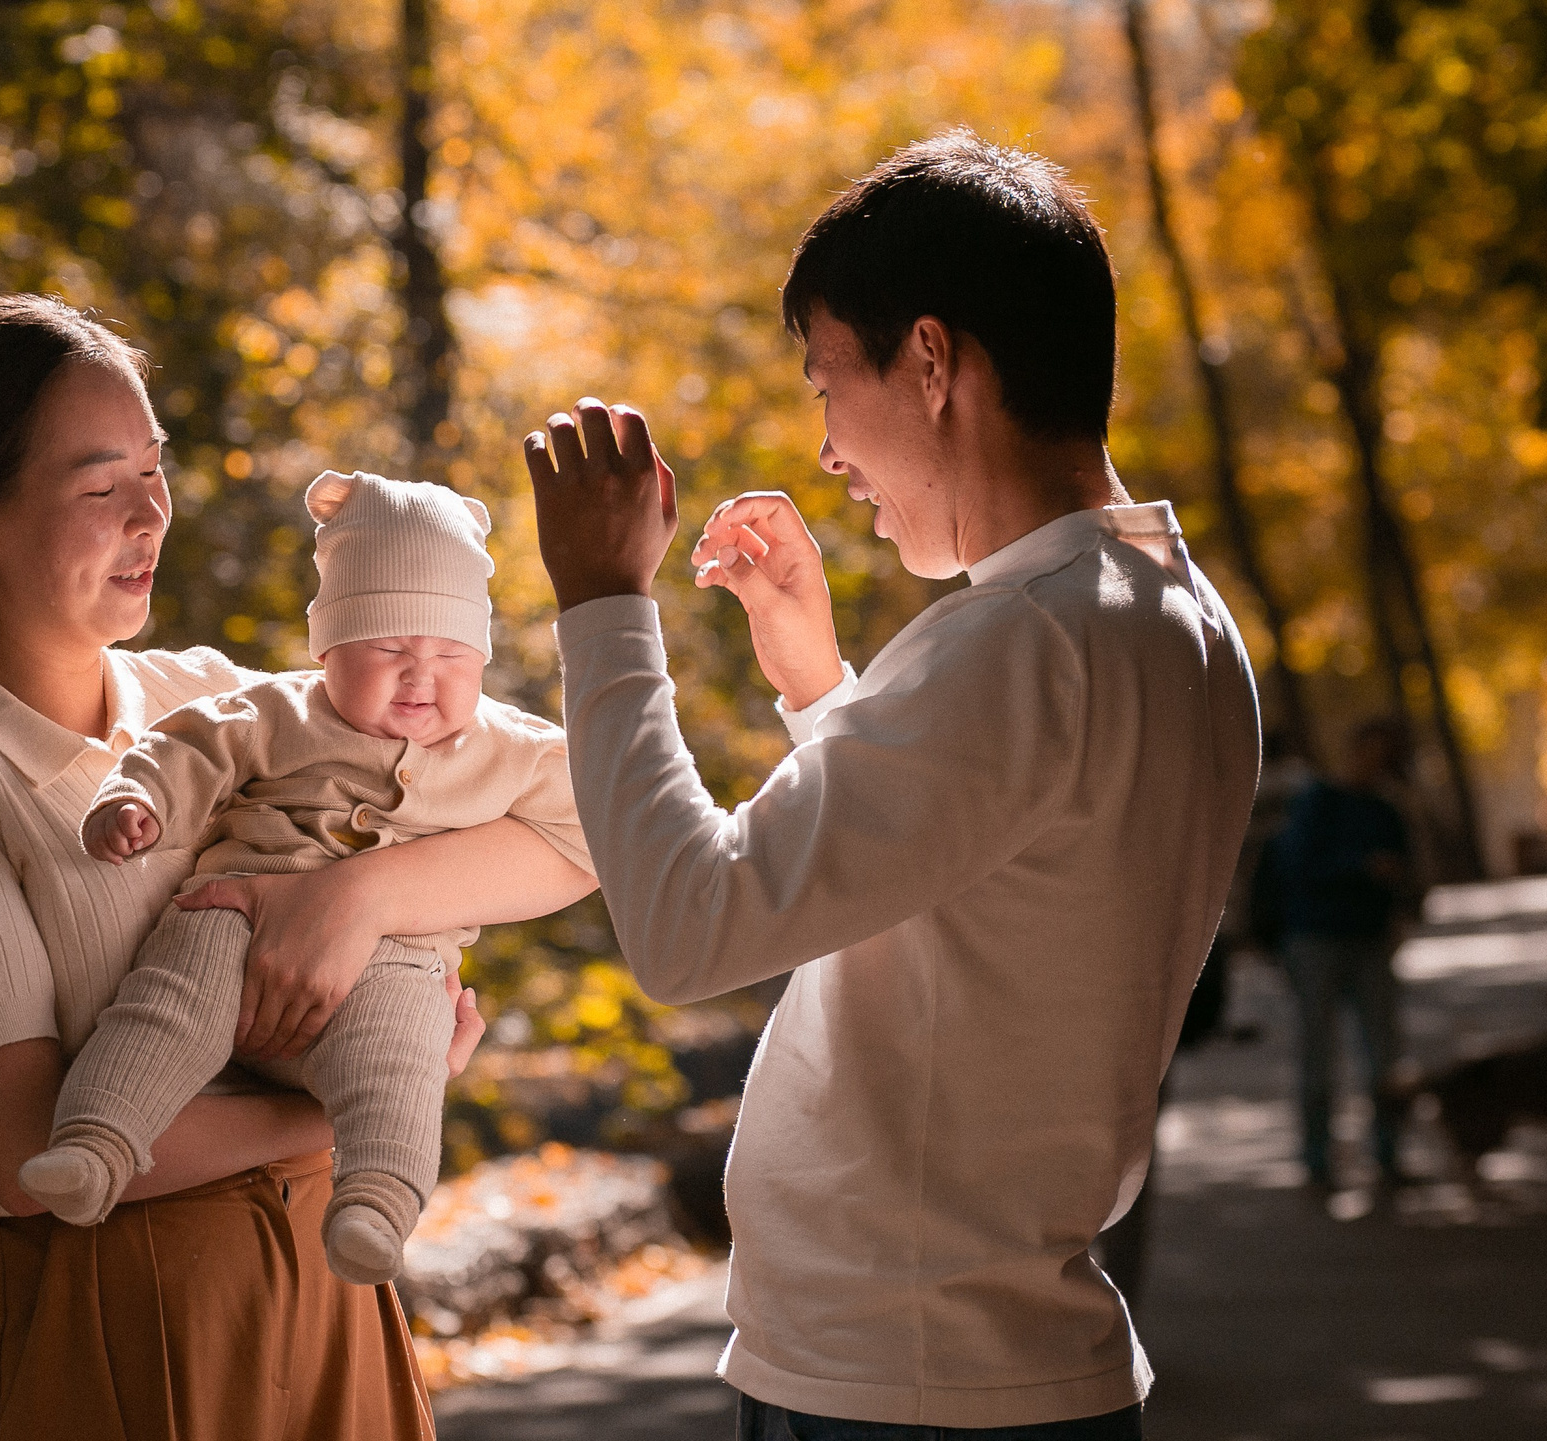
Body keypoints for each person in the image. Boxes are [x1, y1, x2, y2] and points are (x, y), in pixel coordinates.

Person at [520, 131, 1262, 1437]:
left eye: (826, 384)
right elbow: (975, 877)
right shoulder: (1167, 612)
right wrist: (821, 688)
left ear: (929, 360)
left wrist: (602, 602)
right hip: (975, 1365)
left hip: (903, 1384)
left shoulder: (1020, 641)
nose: (825, 449)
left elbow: (689, 924)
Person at [0, 293, 595, 1441]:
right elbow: (27, 1150)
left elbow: (566, 843)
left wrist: (356, 896)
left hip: (325, 1280)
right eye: (102, 486)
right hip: (121, 1302)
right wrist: (369, 1109)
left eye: (154, 469)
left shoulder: (207, 697)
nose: (151, 514)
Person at [19, 471, 593, 1285]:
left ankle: (375, 1205)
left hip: (396, 960)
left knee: (402, 1054)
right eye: (389, 649)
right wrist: (136, 801)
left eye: (451, 654)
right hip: (237, 917)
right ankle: (94, 1143)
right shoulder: (280, 709)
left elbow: (603, 820)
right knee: (166, 1001)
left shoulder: (509, 745)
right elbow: (185, 747)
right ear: (328, 648)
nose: (421, 675)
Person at [1264, 716, 1419, 1191]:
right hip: (1316, 941)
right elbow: (1295, 867)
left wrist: (1400, 904)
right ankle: (1317, 1160)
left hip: (1371, 941)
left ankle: (1388, 1154)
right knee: (1318, 1054)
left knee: (1384, 1053)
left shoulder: (1387, 811)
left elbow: (1408, 873)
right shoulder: (1316, 802)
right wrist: (1360, 867)